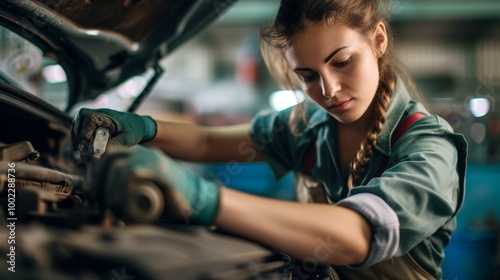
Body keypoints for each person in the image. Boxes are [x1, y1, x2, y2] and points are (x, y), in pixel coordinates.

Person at [71, 0, 467, 279]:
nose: (328, 90)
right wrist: (144, 128)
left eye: (342, 62)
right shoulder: (308, 125)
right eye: (308, 76)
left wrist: (205, 198)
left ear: (378, 40)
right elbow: (209, 144)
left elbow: (360, 234)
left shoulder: (429, 148)